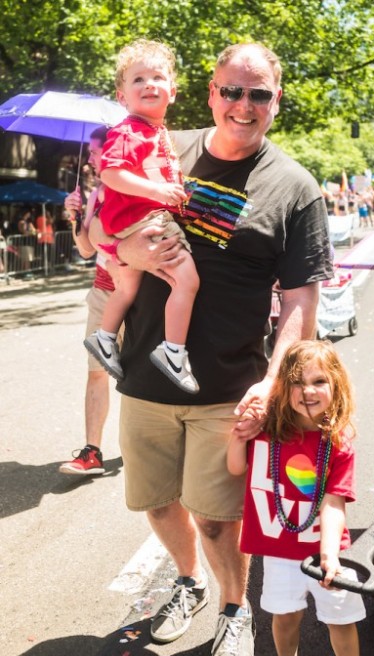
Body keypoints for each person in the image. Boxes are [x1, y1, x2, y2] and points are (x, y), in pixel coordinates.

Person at [89, 42, 333, 656]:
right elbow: (95, 226)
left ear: (276, 100)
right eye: (231, 91)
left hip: (227, 383)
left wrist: (273, 379)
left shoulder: (294, 187)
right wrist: (115, 249)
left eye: (258, 94)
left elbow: (302, 300)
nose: (243, 105)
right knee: (158, 502)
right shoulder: (164, 144)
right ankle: (189, 584)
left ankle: (233, 611)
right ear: (210, 93)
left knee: (218, 520)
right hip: (143, 378)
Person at [228, 340, 374, 656]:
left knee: (341, 619)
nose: (308, 391)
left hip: (325, 551)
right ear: (283, 389)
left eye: (318, 381)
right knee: (285, 615)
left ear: (336, 387)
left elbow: (334, 504)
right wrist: (237, 436)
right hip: (279, 549)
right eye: (297, 382)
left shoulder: (338, 444)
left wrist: (329, 555)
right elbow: (234, 468)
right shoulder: (268, 433)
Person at [84, 40, 200, 394]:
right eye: (138, 80)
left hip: (135, 219)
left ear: (173, 92)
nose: (149, 84)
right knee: (187, 280)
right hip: (144, 219)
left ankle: (104, 338)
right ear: (122, 96)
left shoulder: (155, 131)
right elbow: (111, 174)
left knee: (128, 286)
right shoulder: (129, 130)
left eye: (157, 77)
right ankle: (173, 351)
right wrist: (159, 193)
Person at [59, 126, 119, 476]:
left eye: (97, 151)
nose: (92, 158)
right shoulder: (95, 193)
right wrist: (76, 216)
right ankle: (91, 451)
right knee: (97, 372)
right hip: (102, 290)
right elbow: (84, 250)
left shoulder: (137, 189)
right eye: (92, 152)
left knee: (142, 379)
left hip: (141, 295)